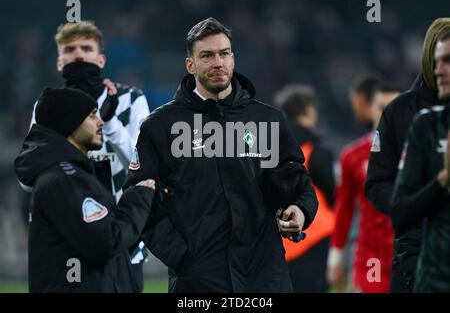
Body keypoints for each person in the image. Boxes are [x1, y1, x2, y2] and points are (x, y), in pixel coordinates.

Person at [124, 17, 318, 293]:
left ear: (233, 58)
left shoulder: (268, 120)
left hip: (264, 277)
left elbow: (299, 185)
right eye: (207, 55)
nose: (218, 62)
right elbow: (139, 198)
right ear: (190, 65)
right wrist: (181, 256)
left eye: (224, 53)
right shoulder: (161, 127)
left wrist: (299, 211)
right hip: (198, 281)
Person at [28, 20, 151, 291]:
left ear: (101, 59)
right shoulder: (47, 107)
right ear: (59, 62)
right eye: (70, 50)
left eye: (86, 48)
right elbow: (29, 175)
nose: (79, 55)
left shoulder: (131, 100)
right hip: (68, 238)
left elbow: (142, 165)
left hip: (123, 236)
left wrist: (111, 121)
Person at [14, 88, 155, 292]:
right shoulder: (65, 180)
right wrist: (138, 198)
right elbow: (106, 242)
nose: (100, 122)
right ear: (70, 123)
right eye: (91, 115)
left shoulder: (69, 174)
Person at [365, 18, 450, 292]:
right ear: (431, 58)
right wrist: (412, 206)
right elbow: (377, 184)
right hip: (415, 254)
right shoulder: (399, 113)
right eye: (442, 60)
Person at [390, 30, 450, 292]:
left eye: (447, 61)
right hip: (433, 280)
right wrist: (442, 181)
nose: (437, 71)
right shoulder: (425, 126)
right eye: (436, 62)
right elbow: (401, 213)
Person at [327, 85, 400, 293]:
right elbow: (344, 209)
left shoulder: (417, 153)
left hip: (408, 253)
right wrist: (336, 258)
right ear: (371, 109)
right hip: (372, 255)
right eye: (382, 107)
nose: (387, 114)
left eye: (393, 108)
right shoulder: (353, 156)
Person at [274, 84, 335, 292]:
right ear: (310, 110)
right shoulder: (316, 150)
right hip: (316, 236)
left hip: (280, 241)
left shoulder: (272, 149)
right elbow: (332, 193)